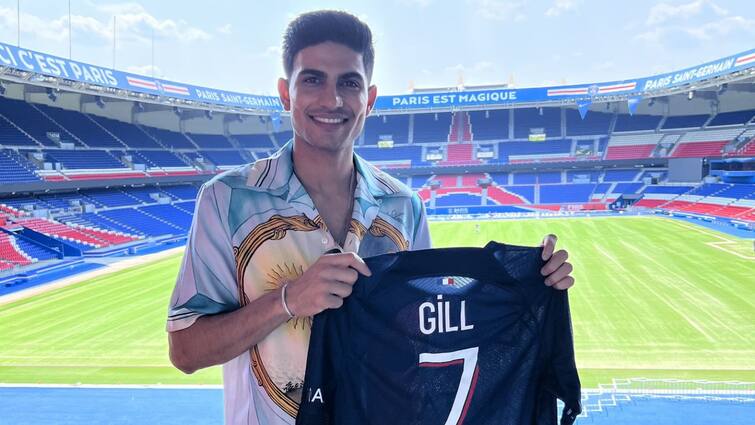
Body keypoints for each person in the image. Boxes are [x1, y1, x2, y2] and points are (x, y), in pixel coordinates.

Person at [167, 10, 575, 425]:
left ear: (370, 99)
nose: (332, 100)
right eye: (312, 79)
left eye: (349, 82)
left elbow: (427, 333)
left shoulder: (404, 207)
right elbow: (185, 352)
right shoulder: (227, 199)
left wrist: (526, 286)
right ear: (285, 93)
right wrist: (288, 301)